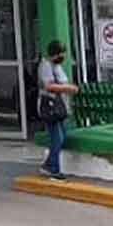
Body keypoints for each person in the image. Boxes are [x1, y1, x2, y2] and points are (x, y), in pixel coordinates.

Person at [36, 40, 79, 179]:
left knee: (62, 136)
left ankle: (48, 164)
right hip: (50, 106)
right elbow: (49, 86)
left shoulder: (57, 66)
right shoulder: (46, 66)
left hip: (59, 106)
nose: (63, 56)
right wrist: (68, 88)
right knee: (57, 138)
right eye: (61, 53)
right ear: (55, 54)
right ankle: (54, 169)